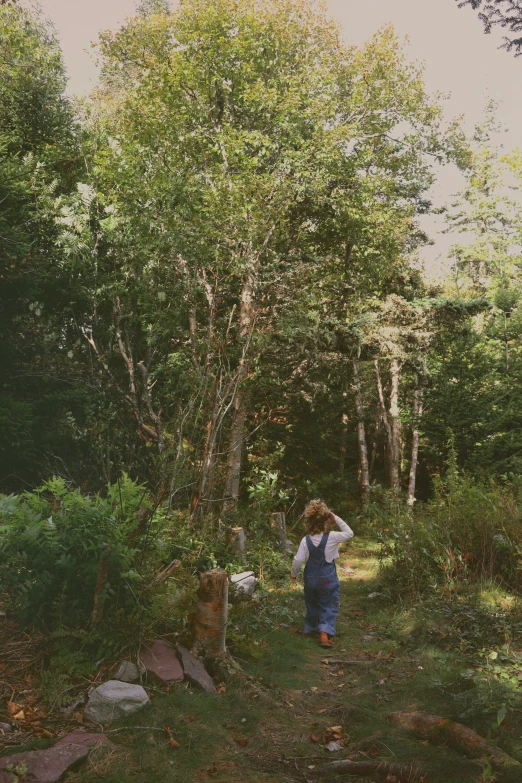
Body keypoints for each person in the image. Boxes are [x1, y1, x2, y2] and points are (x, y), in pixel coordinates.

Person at [291, 499, 354, 648]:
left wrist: (294, 574)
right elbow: (349, 533)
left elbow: (298, 560)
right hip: (328, 579)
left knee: (312, 603)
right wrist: (336, 517)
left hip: (310, 579)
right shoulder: (332, 537)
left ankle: (310, 629)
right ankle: (324, 634)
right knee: (328, 604)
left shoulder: (305, 540)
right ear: (327, 520)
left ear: (309, 522)